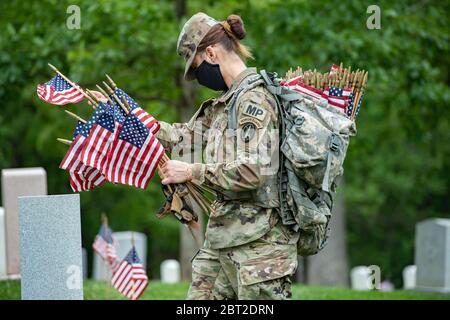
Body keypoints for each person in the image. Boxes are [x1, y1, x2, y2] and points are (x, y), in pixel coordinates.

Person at [157, 12, 299, 300]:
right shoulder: (225, 103)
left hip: (258, 248)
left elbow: (254, 172)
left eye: (197, 69)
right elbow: (182, 136)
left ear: (210, 53)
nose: (198, 79)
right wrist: (128, 120)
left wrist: (191, 172)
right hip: (222, 239)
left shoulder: (254, 100)